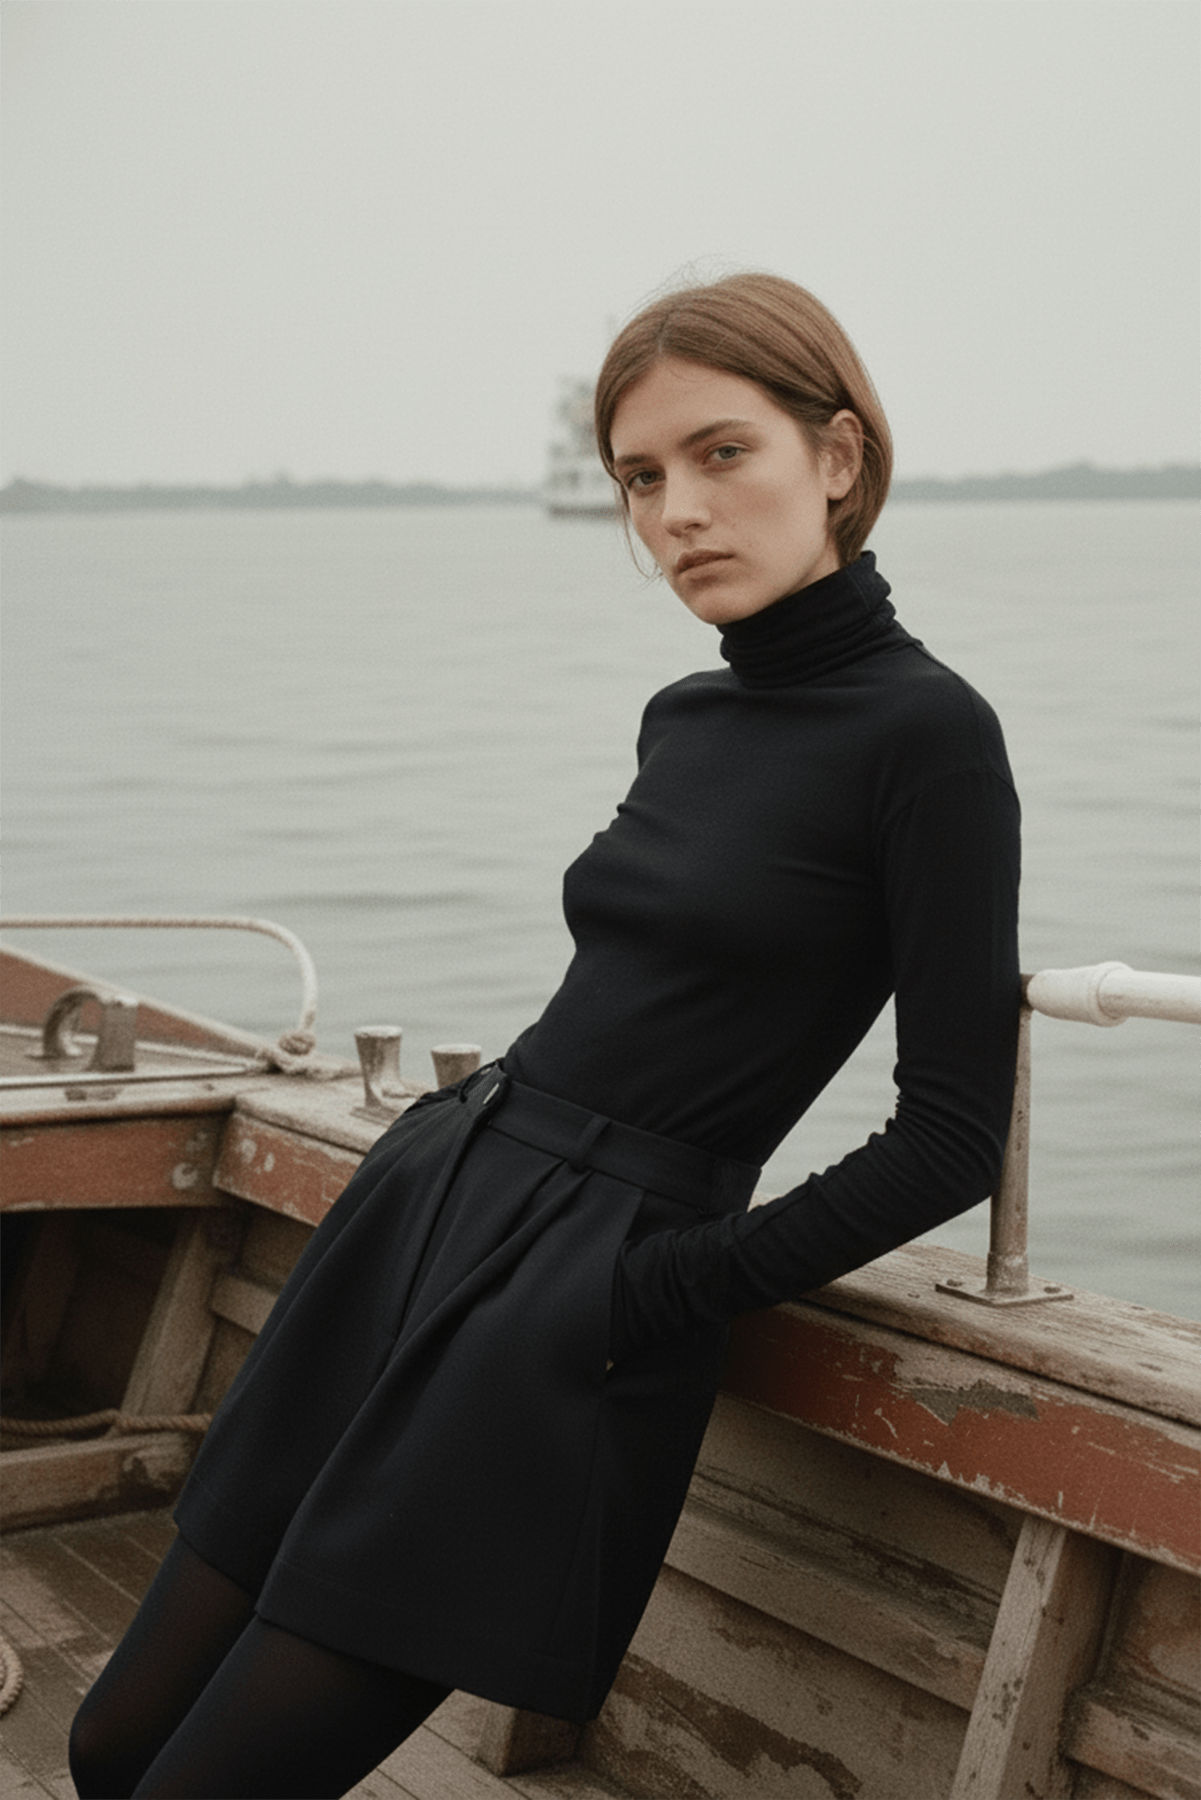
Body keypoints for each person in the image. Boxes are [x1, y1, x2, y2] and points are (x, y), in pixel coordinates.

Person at [69, 272, 1020, 1799]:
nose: (675, 514)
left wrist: (658, 1289)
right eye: (642, 478)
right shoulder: (690, 717)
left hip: (576, 1299)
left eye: (723, 456)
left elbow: (954, 1133)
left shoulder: (931, 738)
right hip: (431, 1206)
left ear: (839, 458)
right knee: (110, 1743)